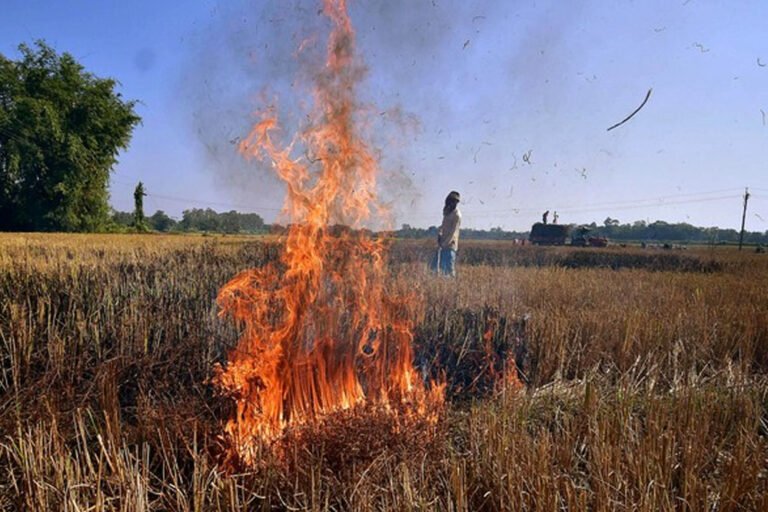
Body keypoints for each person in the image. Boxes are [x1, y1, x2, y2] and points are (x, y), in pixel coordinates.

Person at [432, 190, 462, 276]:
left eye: (454, 202)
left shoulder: (457, 215)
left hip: (450, 246)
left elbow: (453, 233)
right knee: (436, 267)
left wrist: (444, 244)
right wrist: (439, 233)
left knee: (448, 270)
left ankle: (450, 286)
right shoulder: (447, 212)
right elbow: (443, 225)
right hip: (442, 244)